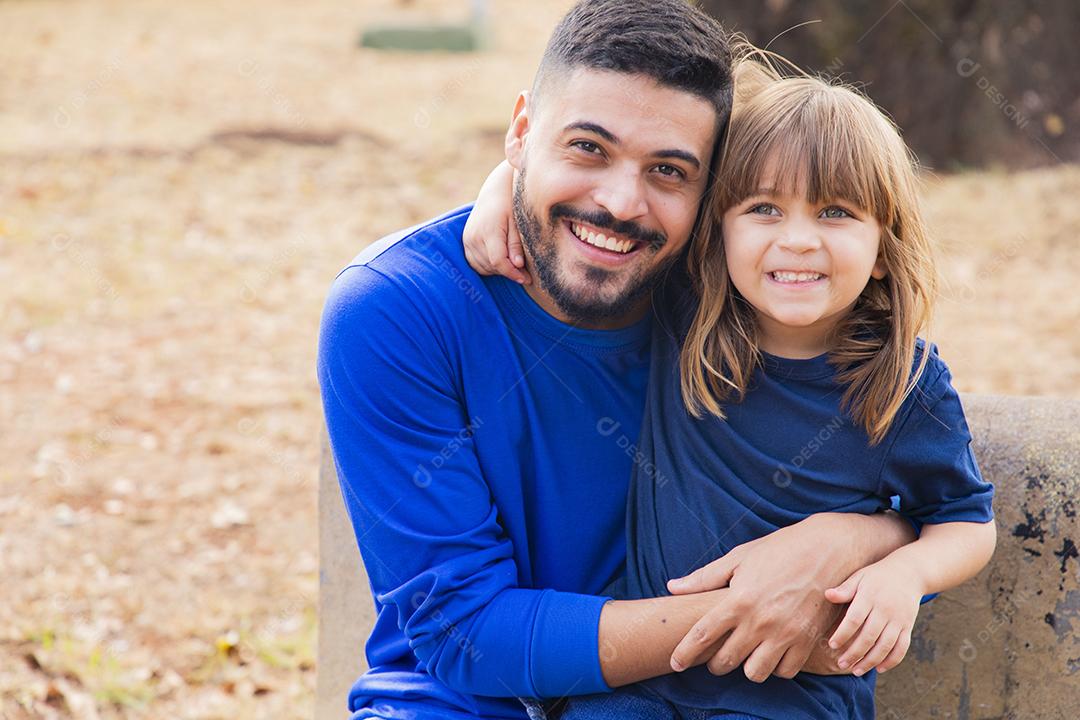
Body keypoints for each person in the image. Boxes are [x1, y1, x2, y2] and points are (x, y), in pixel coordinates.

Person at [318, 3, 920, 719]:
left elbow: (908, 450)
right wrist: (747, 609)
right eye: (587, 148)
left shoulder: (729, 296)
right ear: (521, 132)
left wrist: (853, 537)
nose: (618, 203)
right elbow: (464, 635)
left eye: (668, 170)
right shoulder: (398, 310)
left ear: (714, 192)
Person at [461, 51, 997, 719]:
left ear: (884, 248)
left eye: (835, 213)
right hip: (638, 689)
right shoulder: (688, 315)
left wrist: (902, 573)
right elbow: (594, 205)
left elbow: (965, 522)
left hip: (790, 697)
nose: (798, 240)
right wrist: (502, 185)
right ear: (718, 233)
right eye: (765, 209)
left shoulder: (901, 384)